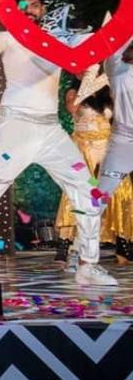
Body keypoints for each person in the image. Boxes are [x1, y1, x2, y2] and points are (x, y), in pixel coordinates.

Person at [0, 0, 116, 287]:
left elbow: (88, 54)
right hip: (15, 127)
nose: (29, 10)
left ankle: (88, 263)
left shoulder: (59, 40)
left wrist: (95, 40)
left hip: (50, 130)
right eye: (23, 6)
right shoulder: (10, 37)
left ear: (43, 9)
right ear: (16, 11)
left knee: (87, 191)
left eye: (35, 4)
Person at [54, 68, 133, 268]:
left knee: (120, 192)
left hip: (107, 146)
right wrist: (88, 85)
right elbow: (72, 108)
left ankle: (123, 247)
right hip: (83, 148)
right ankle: (64, 246)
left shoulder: (109, 93)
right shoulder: (73, 92)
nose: (86, 73)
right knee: (77, 192)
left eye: (90, 70)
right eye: (82, 71)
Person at [91, 37, 133, 265]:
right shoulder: (118, 70)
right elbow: (114, 50)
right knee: (99, 199)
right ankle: (82, 256)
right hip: (124, 142)